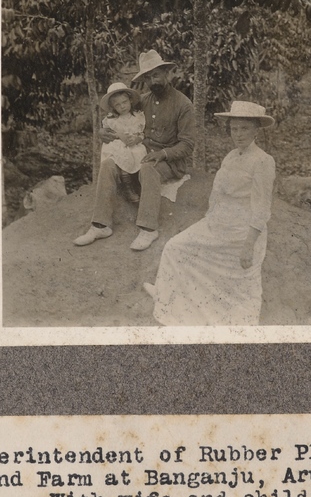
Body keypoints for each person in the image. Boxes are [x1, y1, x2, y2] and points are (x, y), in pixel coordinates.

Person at [144, 101, 276, 326]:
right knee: (175, 247)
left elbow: (261, 208)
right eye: (235, 128)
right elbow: (218, 193)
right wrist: (210, 218)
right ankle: (167, 295)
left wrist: (248, 245)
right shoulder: (232, 156)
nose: (239, 134)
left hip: (242, 233)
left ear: (256, 130)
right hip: (218, 224)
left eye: (245, 128)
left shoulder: (263, 161)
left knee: (241, 284)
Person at [74, 50, 196, 251]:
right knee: (108, 164)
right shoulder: (143, 101)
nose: (152, 80)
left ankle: (148, 228)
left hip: (169, 161)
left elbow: (188, 144)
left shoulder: (183, 104)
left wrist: (162, 154)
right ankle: (100, 225)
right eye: (148, 77)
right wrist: (104, 132)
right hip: (139, 153)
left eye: (156, 74)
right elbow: (119, 117)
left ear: (167, 73)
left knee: (148, 168)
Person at [98, 82, 146, 203]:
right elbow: (107, 133)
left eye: (124, 102)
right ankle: (127, 187)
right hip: (119, 144)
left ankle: (137, 184)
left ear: (130, 100)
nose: (122, 106)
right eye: (118, 105)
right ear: (113, 107)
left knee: (140, 152)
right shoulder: (112, 120)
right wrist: (119, 136)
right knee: (123, 153)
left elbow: (141, 133)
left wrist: (136, 139)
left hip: (134, 143)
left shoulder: (138, 116)